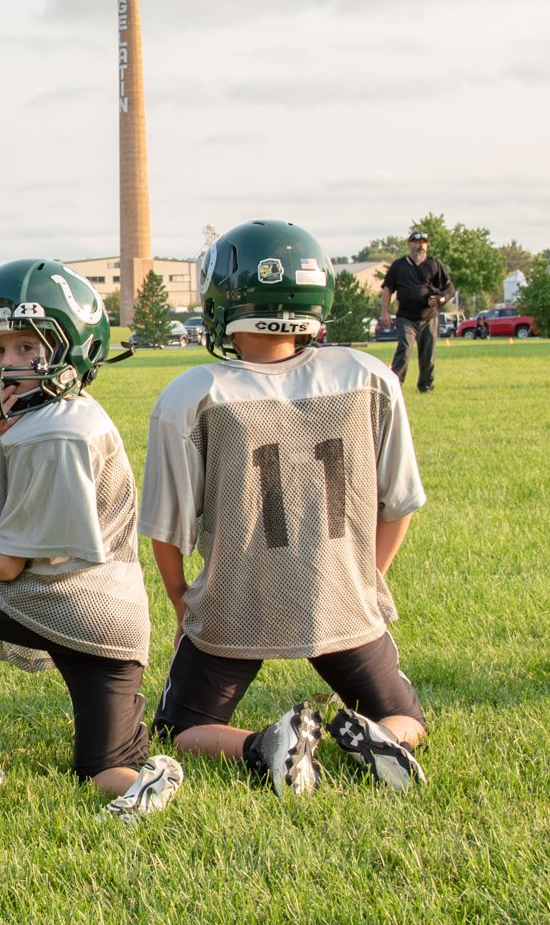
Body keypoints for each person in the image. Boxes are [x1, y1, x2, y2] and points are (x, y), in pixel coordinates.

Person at [143, 220, 431, 796]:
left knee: (182, 729)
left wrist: (183, 609)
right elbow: (397, 506)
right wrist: (366, 578)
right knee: (411, 720)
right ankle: (378, 733)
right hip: (342, 599)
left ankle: (264, 744)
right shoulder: (370, 377)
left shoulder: (194, 393)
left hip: (238, 605)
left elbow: (167, 535)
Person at [0, 260, 182, 820]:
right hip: (117, 621)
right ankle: (145, 782)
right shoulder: (56, 416)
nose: (4, 364)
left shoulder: (50, 432)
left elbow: (5, 566)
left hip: (61, 606)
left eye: (24, 350)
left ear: (68, 349)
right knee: (102, 768)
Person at [380, 229, 452, 395]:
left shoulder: (434, 264)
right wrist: (384, 312)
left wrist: (441, 299)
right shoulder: (399, 266)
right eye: (417, 242)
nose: (420, 246)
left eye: (424, 243)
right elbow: (387, 290)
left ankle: (426, 386)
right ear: (409, 244)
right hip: (406, 318)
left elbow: (449, 288)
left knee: (428, 354)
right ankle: (396, 386)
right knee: (404, 350)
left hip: (429, 317)